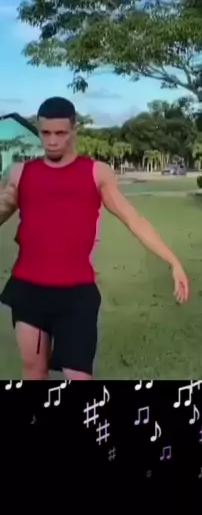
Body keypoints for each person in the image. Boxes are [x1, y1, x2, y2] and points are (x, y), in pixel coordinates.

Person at [0, 97, 189, 381]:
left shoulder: (95, 172)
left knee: (79, 376)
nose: (52, 141)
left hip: (76, 294)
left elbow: (133, 219)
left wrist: (173, 261)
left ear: (74, 130)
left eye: (60, 133)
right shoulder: (21, 173)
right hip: (28, 289)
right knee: (33, 370)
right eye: (45, 133)